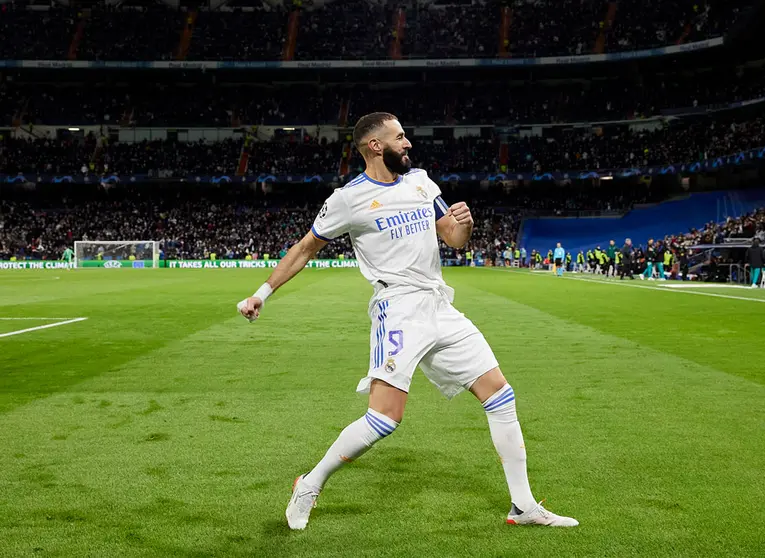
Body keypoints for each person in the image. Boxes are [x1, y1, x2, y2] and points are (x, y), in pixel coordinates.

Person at [237, 113, 578, 531]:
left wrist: (464, 226)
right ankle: (309, 483)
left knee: (500, 396)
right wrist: (262, 293)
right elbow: (306, 248)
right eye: (400, 137)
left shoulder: (421, 182)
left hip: (440, 305)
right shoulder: (349, 199)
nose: (409, 144)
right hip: (397, 309)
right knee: (384, 420)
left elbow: (450, 236)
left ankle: (523, 506)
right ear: (375, 146)